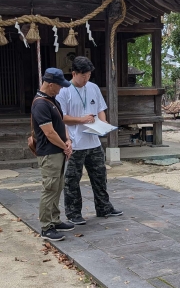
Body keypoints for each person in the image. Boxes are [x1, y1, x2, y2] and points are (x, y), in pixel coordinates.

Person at [56, 56, 122, 224]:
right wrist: (81, 120)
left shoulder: (93, 88)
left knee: (100, 175)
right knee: (72, 180)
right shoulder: (64, 91)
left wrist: (103, 121)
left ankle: (104, 207)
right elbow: (60, 117)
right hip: (76, 142)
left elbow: (101, 108)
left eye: (89, 76)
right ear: (74, 73)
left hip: (93, 141)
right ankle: (73, 213)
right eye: (83, 76)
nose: (86, 79)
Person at [32, 68, 75, 242]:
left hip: (58, 150)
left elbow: (61, 122)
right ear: (50, 85)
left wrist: (68, 140)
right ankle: (46, 226)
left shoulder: (52, 100)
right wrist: (64, 146)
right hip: (49, 153)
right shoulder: (41, 104)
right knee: (49, 188)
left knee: (57, 187)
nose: (61, 89)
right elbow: (49, 133)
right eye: (59, 85)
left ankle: (55, 219)